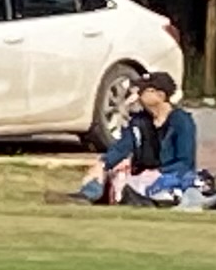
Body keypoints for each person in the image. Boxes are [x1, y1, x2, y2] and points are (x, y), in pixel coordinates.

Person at [78, 72, 203, 204]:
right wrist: (102, 164)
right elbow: (122, 148)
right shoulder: (138, 121)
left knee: (167, 182)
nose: (138, 93)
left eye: (145, 90)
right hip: (142, 176)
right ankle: (87, 196)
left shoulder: (182, 121)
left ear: (160, 96)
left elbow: (185, 162)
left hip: (171, 177)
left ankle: (140, 197)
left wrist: (157, 172)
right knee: (108, 173)